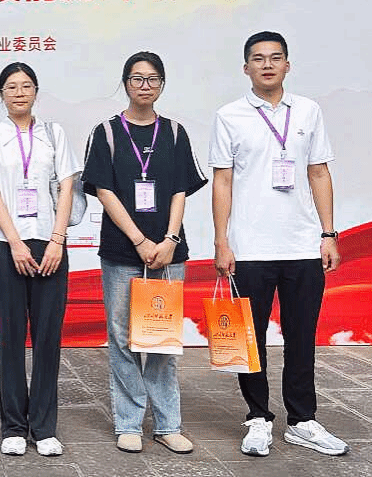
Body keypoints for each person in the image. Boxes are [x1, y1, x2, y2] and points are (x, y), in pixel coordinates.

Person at [208, 31, 348, 457]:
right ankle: (257, 418)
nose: (267, 65)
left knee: (301, 336)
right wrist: (222, 241)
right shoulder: (229, 116)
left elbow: (319, 172)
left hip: (302, 244)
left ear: (287, 65)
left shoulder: (308, 111)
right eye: (258, 58)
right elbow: (223, 181)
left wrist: (328, 233)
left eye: (275, 57)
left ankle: (302, 420)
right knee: (249, 339)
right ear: (245, 67)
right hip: (250, 247)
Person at [82, 51, 206, 455]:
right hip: (122, 250)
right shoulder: (106, 132)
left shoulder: (174, 132)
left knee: (162, 338)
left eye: (152, 79)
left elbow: (180, 190)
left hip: (169, 252)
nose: (145, 85)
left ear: (162, 84)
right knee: (122, 338)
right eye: (137, 78)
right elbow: (104, 191)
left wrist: (169, 239)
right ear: (125, 83)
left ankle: (168, 425)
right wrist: (139, 240)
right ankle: (129, 423)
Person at [0, 62, 79, 457]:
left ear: (36, 91)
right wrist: (16, 244)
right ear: (1, 93)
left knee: (48, 338)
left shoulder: (54, 134)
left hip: (50, 245)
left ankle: (44, 427)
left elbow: (66, 186)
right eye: (12, 87)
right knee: (10, 338)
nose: (19, 93)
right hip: (6, 246)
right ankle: (14, 426)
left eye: (26, 86)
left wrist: (57, 240)